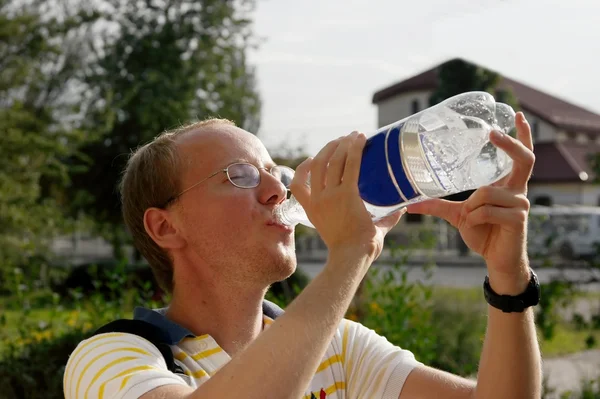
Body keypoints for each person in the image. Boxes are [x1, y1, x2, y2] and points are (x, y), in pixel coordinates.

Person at [63, 113, 541, 399]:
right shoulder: (113, 359)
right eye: (240, 176)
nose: (280, 189)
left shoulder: (338, 347)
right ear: (165, 226)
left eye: (277, 171)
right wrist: (352, 253)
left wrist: (508, 278)